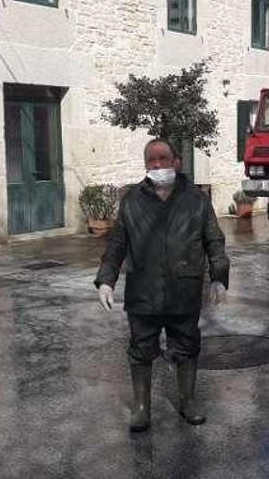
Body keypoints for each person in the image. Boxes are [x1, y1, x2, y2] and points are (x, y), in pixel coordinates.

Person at [95, 138, 230, 432]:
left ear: (177, 161)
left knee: (186, 345)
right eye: (151, 160)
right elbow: (118, 242)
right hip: (143, 291)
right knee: (141, 349)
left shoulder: (196, 199)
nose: (157, 165)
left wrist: (219, 275)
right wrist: (106, 279)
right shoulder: (132, 200)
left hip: (184, 288)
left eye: (163, 158)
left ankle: (188, 401)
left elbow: (214, 240)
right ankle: (142, 408)